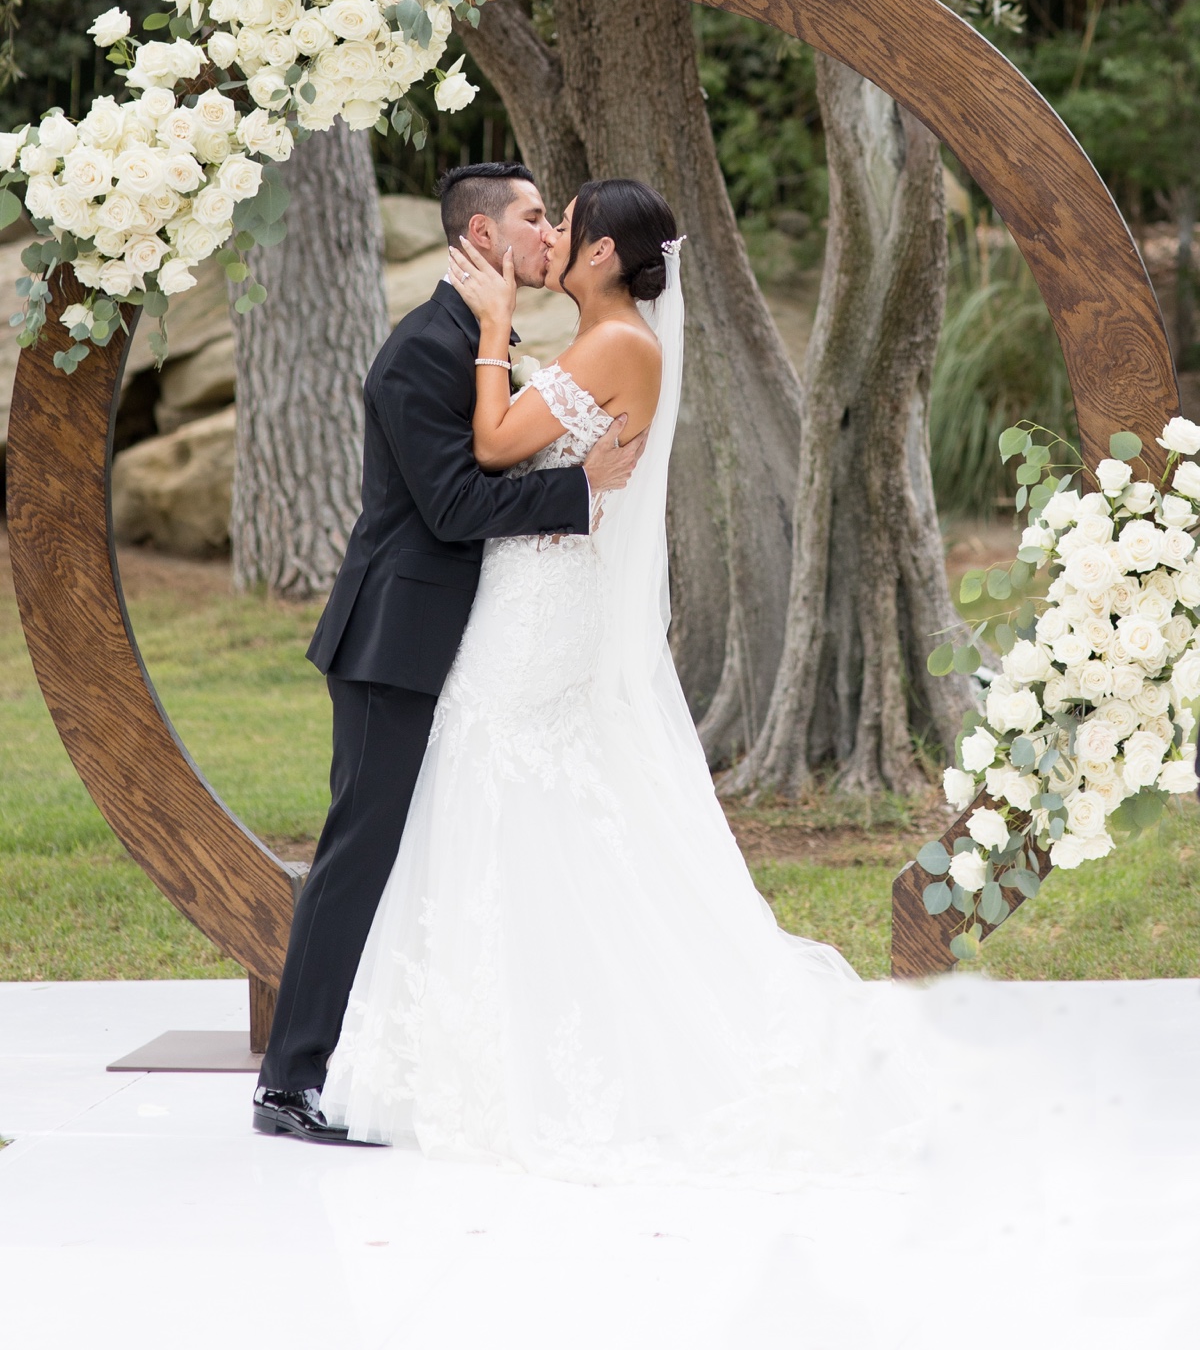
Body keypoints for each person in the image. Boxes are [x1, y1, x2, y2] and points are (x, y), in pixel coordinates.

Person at [320, 178, 918, 1184]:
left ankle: (546, 1044)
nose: (551, 238)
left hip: (542, 602)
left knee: (498, 770)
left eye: (567, 226)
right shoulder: (612, 339)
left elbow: (496, 443)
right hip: (532, 584)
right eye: (538, 220)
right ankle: (508, 1021)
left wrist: (496, 327)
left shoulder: (617, 343)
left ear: (600, 255)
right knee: (504, 784)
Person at [253, 163, 647, 1142]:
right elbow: (453, 506)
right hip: (395, 641)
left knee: (429, 847)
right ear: (482, 236)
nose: (546, 229)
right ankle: (287, 1081)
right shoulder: (420, 352)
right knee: (359, 853)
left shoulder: (480, 337)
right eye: (530, 216)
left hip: (463, 639)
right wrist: (578, 493)